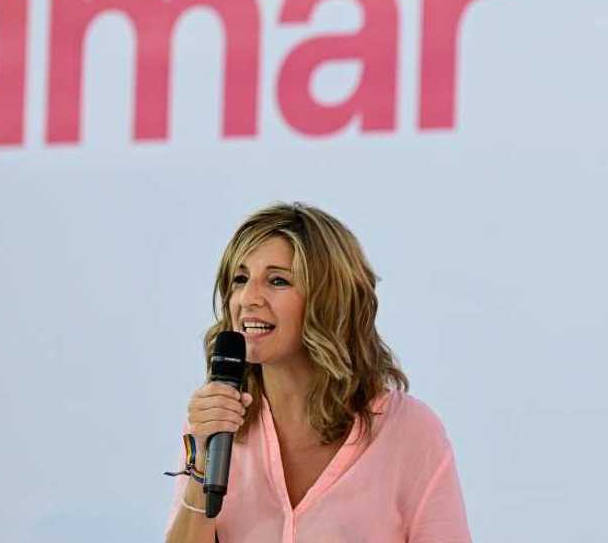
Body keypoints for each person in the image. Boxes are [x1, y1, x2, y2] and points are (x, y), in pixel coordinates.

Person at [165, 202, 472, 543]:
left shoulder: (410, 431)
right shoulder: (215, 422)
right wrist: (202, 465)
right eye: (240, 279)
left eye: (277, 281)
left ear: (328, 300)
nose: (248, 298)